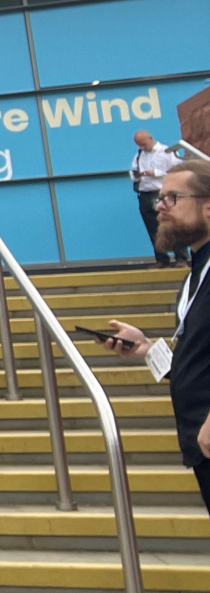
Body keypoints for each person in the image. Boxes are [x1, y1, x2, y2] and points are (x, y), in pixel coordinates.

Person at [96, 160, 210, 517]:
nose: (159, 207)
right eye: (159, 198)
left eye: (172, 198)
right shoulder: (195, 276)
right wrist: (147, 350)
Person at [131, 129, 187, 266]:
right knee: (153, 228)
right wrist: (137, 174)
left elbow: (177, 169)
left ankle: (181, 258)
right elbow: (132, 171)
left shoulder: (166, 152)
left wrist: (156, 173)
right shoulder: (139, 155)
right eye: (140, 145)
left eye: (144, 144)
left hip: (162, 191)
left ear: (150, 139)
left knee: (172, 225)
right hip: (145, 193)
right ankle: (161, 259)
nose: (142, 148)